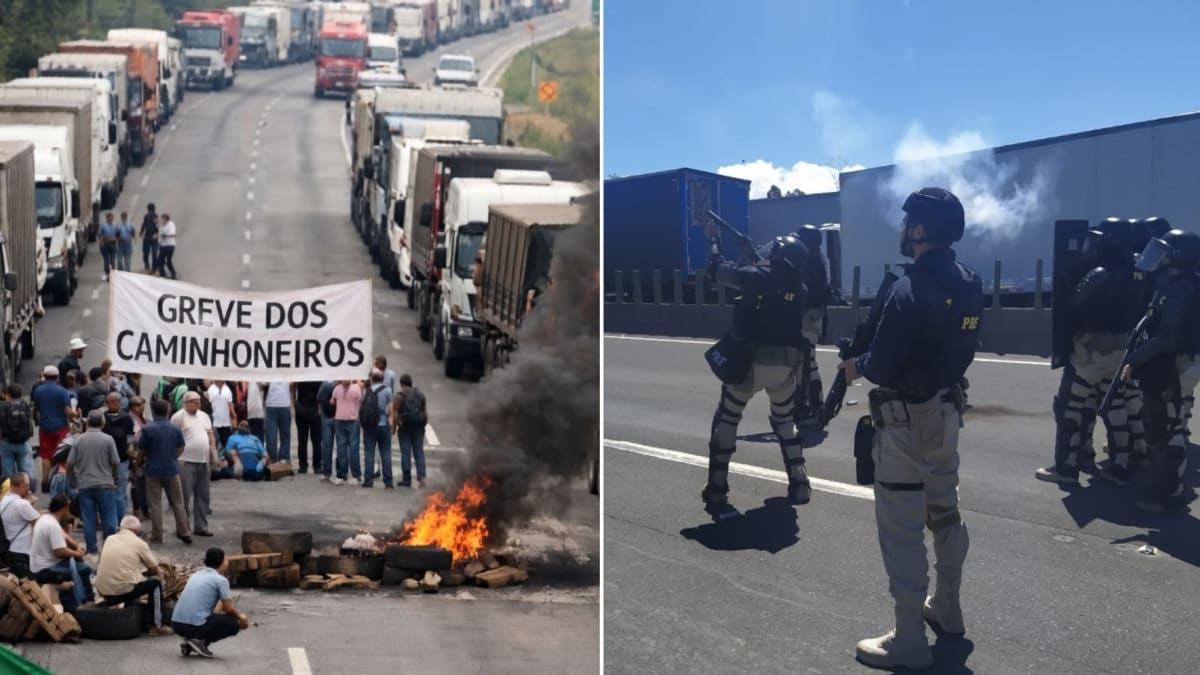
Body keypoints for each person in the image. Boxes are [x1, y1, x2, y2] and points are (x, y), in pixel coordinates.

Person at [836, 188, 984, 670]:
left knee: (901, 524)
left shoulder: (908, 288)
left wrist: (856, 366)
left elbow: (883, 363)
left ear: (921, 230)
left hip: (902, 421)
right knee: (944, 509)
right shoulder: (969, 282)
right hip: (945, 411)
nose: (902, 230)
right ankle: (949, 607)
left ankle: (908, 640)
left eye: (907, 223)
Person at [701, 233, 812, 514]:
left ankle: (717, 488)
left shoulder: (756, 275)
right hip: (787, 365)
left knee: (727, 417)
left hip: (751, 362)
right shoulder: (800, 288)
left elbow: (716, 272)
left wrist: (714, 243)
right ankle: (799, 482)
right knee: (785, 422)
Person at [1037, 219, 1147, 486]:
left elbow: (1073, 304)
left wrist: (1068, 276)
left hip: (1090, 353)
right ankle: (1121, 467)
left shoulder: (1099, 274)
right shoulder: (1139, 273)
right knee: (1116, 406)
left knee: (1070, 408)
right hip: (1121, 349)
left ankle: (1067, 466)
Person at [1120, 229, 1200, 512]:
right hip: (1178, 362)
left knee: (1165, 429)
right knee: (1172, 425)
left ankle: (1165, 493)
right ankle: (1169, 486)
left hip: (1173, 364)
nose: (1159, 257)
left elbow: (1167, 338)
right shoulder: (1181, 283)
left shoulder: (1180, 288)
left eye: (1165, 252)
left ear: (1177, 257)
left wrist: (1136, 359)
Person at [95, 515, 172, 636]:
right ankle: (156, 626)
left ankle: (122, 607)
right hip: (122, 590)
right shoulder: (139, 543)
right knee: (155, 584)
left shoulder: (109, 539)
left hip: (102, 590)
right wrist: (145, 573)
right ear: (137, 531)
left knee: (129, 579)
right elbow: (154, 569)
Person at [789, 224, 834, 426]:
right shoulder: (818, 260)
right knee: (810, 363)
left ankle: (803, 408)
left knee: (803, 363)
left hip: (808, 315)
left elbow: (802, 291)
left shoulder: (809, 262)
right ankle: (817, 407)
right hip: (816, 315)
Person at [172, 547, 249, 658]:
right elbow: (228, 608)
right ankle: (201, 642)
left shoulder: (196, 575)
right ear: (222, 562)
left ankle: (192, 643)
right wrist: (241, 616)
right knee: (236, 623)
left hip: (176, 624)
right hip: (194, 626)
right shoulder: (220, 580)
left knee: (215, 615)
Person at [66, 410, 121, 555]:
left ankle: (91, 549)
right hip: (105, 484)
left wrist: (74, 481)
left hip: (85, 485)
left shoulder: (79, 440)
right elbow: (115, 462)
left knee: (89, 519)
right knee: (109, 519)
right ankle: (109, 549)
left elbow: (69, 464)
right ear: (102, 423)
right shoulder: (108, 439)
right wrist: (114, 478)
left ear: (87, 423)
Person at [138, 399, 191, 544]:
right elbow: (181, 447)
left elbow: (141, 450)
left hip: (152, 470)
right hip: (171, 469)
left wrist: (138, 463)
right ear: (168, 411)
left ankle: (157, 534)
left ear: (153, 411)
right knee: (178, 503)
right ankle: (184, 531)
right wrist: (173, 457)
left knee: (155, 504)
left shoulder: (148, 429)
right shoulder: (174, 428)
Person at [30, 493, 94, 612]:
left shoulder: (46, 518)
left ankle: (77, 603)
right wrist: (77, 554)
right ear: (65, 508)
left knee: (76, 563)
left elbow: (64, 537)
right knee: (84, 570)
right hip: (46, 568)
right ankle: (86, 603)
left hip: (40, 565)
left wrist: (76, 547)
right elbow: (59, 552)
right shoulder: (52, 524)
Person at [172, 392, 216, 537]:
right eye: (193, 401)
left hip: (203, 460)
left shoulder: (204, 416)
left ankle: (201, 526)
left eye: (198, 401)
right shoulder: (178, 417)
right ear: (186, 402)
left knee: (203, 496)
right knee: (184, 496)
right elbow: (173, 438)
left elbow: (210, 437)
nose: (197, 403)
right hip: (185, 460)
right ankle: (184, 528)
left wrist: (213, 455)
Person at [101, 392, 135, 519]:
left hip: (121, 459)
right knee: (112, 490)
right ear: (107, 403)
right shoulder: (103, 417)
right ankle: (114, 518)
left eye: (117, 401)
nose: (115, 404)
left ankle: (119, 518)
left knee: (120, 490)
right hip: (106, 461)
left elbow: (130, 436)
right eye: (112, 401)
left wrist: (130, 449)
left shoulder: (126, 418)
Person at [0, 472, 40, 578]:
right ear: (22, 485)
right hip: (23, 552)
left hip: (12, 551)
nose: (28, 489)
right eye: (27, 485)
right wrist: (30, 501)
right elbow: (39, 524)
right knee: (32, 587)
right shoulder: (22, 504)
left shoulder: (4, 500)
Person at [393, 374, 428, 488]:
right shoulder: (420, 394)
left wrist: (395, 426)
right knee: (419, 452)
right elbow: (426, 412)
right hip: (418, 427)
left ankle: (406, 479)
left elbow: (395, 413)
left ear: (401, 384)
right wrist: (423, 424)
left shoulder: (399, 396)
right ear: (411, 383)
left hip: (405, 429)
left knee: (405, 453)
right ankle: (422, 478)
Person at [360, 369, 393, 489]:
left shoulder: (366, 391)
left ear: (372, 379)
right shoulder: (387, 391)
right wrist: (391, 425)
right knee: (385, 452)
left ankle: (368, 480)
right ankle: (388, 481)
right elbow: (390, 411)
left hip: (369, 426)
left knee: (369, 452)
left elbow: (362, 406)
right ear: (382, 379)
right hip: (383, 425)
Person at [0, 384, 36, 478]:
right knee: (26, 470)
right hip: (24, 442)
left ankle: (8, 490)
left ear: (8, 394)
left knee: (7, 472)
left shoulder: (3, 407)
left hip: (6, 443)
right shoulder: (25, 405)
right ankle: (27, 488)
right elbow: (29, 423)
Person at [332, 380, 362, 484]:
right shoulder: (357, 388)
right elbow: (360, 401)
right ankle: (355, 475)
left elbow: (332, 401)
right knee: (353, 448)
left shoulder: (337, 389)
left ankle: (341, 474)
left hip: (339, 420)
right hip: (353, 420)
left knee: (341, 448)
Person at [293, 381, 323, 474]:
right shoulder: (317, 373)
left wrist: (295, 403)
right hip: (312, 408)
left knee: (303, 440)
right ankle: (316, 466)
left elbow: (293, 386)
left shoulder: (302, 373)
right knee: (315, 441)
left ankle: (303, 466)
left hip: (303, 408)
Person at [263, 382, 292, 464]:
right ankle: (275, 458)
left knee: (283, 435)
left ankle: (281, 458)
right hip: (274, 404)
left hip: (282, 404)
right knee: (273, 435)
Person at [205, 380, 237, 450]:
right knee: (215, 443)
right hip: (214, 421)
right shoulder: (211, 389)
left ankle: (227, 458)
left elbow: (230, 405)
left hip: (226, 422)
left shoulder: (227, 389)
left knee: (226, 443)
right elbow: (208, 404)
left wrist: (234, 418)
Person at [317, 380, 337, 483]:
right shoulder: (342, 384)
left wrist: (321, 410)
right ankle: (340, 473)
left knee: (326, 445)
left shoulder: (325, 384)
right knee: (341, 446)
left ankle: (326, 472)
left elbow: (319, 398)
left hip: (326, 417)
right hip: (339, 417)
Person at [155, 213, 177, 279]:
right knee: (160, 260)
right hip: (163, 245)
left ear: (166, 219)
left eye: (162, 219)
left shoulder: (171, 224)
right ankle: (162, 273)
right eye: (161, 219)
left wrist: (165, 236)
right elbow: (159, 229)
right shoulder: (162, 225)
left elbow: (173, 235)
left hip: (170, 245)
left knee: (168, 260)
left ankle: (173, 273)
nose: (161, 220)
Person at [99, 211, 119, 281]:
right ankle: (107, 274)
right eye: (110, 217)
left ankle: (113, 275)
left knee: (113, 260)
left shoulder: (115, 225)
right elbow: (100, 235)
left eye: (112, 217)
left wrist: (116, 239)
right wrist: (101, 243)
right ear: (107, 218)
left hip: (113, 244)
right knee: (106, 260)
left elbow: (118, 234)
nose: (111, 219)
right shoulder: (103, 226)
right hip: (105, 244)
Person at [140, 202, 159, 272]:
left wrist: (141, 232)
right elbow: (157, 226)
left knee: (145, 252)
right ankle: (154, 267)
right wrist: (157, 233)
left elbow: (143, 224)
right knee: (154, 253)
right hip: (154, 236)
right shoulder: (155, 216)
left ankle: (147, 266)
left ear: (148, 209)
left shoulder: (146, 216)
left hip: (147, 236)